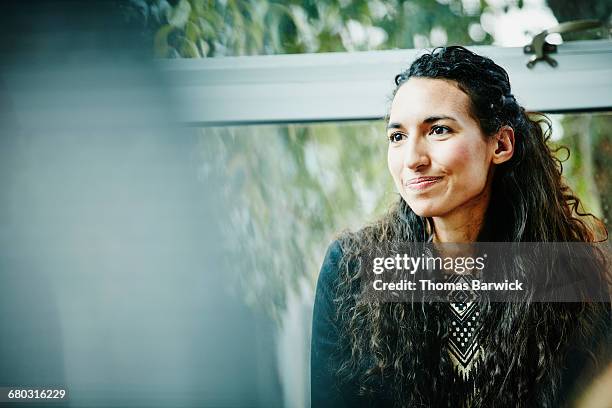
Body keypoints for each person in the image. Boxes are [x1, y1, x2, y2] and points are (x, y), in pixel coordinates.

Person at [310, 46, 611, 407]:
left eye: (438, 130)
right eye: (397, 137)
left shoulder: (570, 276)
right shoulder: (351, 270)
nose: (412, 160)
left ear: (500, 144)